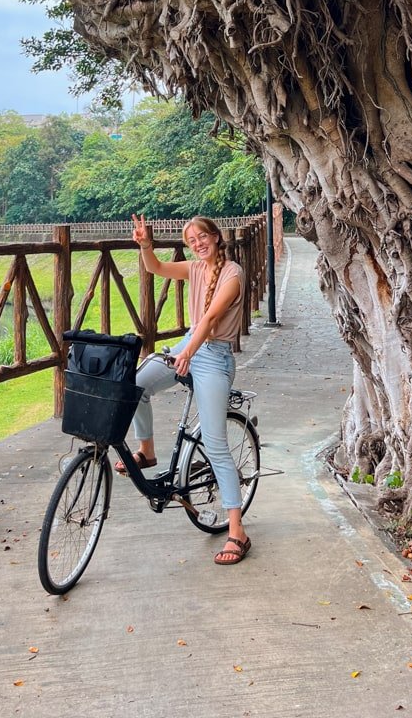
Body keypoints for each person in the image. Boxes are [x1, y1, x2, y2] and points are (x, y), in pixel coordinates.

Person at [122, 212, 251, 565]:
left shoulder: (232, 273)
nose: (198, 244)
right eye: (192, 241)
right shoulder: (194, 268)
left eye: (203, 237)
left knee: (215, 443)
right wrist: (146, 245)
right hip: (189, 347)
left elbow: (210, 319)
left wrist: (188, 354)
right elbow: (156, 269)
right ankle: (147, 450)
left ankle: (237, 532)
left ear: (216, 236)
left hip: (214, 356)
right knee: (134, 386)